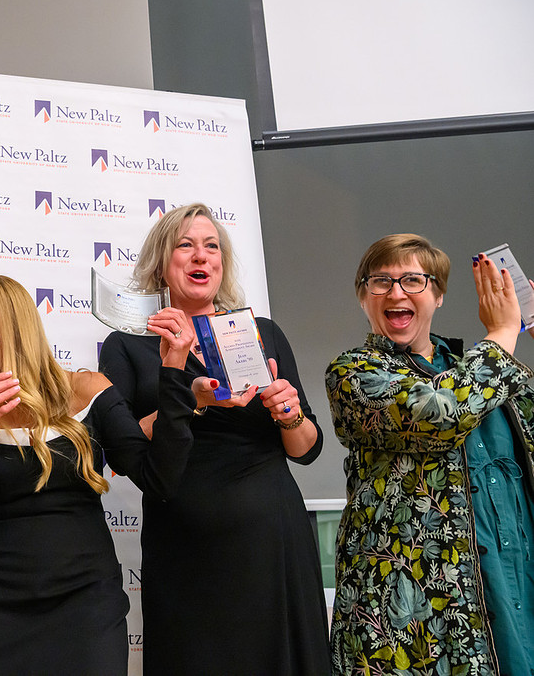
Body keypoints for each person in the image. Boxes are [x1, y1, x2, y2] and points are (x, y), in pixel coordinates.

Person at [98, 202, 330, 675]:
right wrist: (191, 400)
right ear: (162, 263)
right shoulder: (129, 346)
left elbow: (306, 449)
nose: (201, 256)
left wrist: (288, 414)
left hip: (272, 542)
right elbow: (117, 454)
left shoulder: (260, 333)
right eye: (185, 245)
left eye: (211, 246)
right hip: (184, 552)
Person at [0, 274, 195, 675]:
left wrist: (174, 370)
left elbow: (159, 478)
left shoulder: (86, 388)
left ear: (15, 318)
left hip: (86, 605)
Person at [326, 234, 534, 675]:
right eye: (380, 281)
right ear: (364, 297)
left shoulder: (484, 369)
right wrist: (501, 335)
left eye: (414, 280)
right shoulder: (354, 372)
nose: (396, 292)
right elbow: (440, 413)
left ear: (438, 296)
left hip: (514, 578)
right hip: (418, 611)